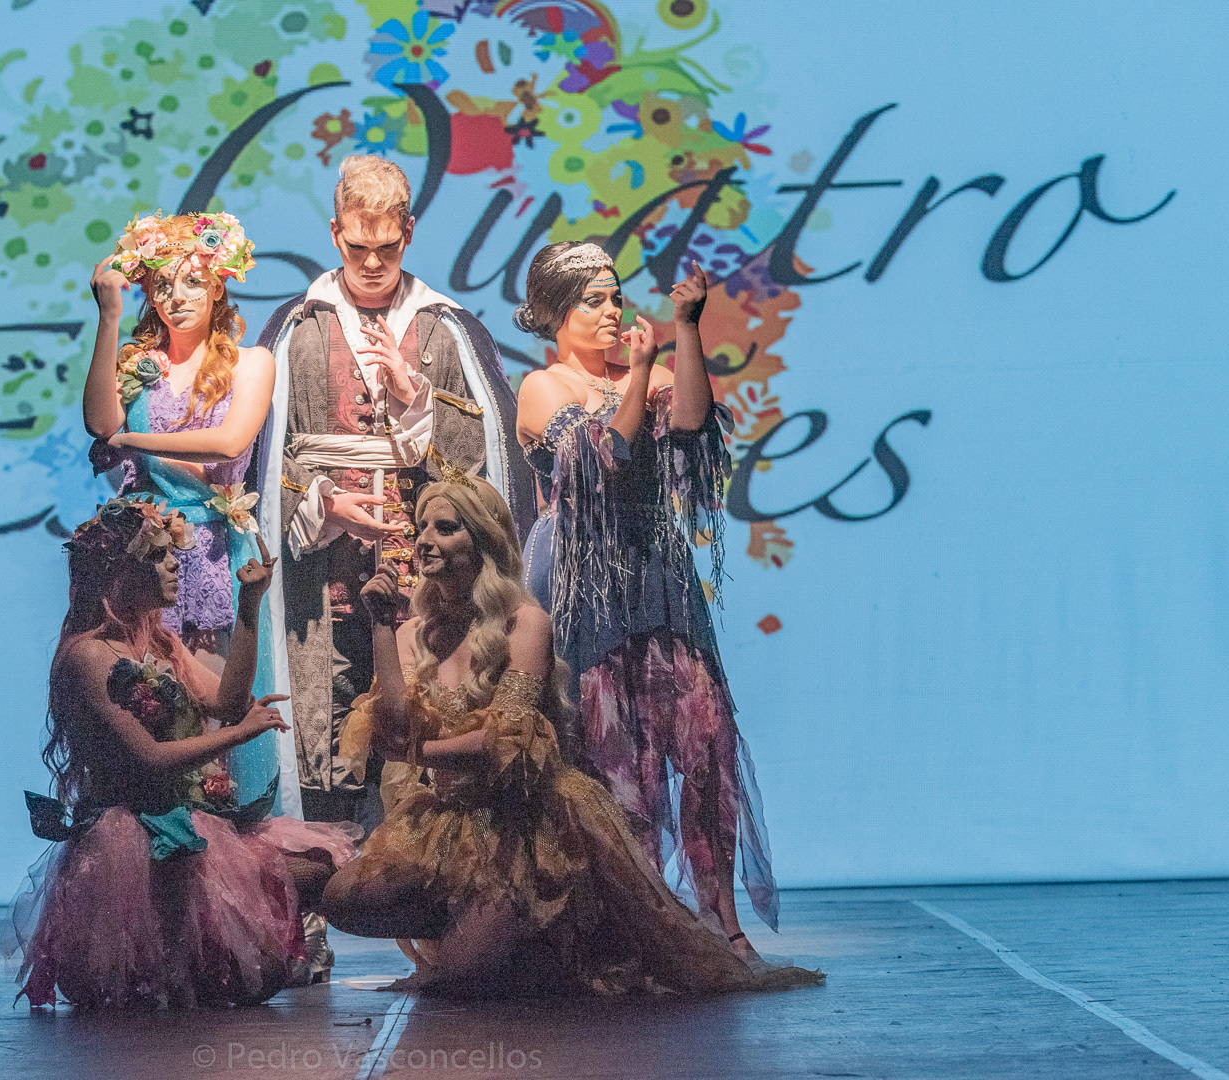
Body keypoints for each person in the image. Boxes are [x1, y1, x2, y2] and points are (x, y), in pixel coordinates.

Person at [318, 476, 820, 996]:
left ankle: (524, 938)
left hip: (521, 822)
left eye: (444, 528)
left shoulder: (525, 623)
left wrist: (417, 750)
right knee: (344, 900)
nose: (424, 540)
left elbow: (506, 743)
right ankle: (478, 927)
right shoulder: (411, 633)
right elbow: (394, 726)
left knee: (459, 976)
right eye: (421, 527)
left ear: (484, 540)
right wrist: (381, 626)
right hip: (448, 817)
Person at [250, 155, 537, 829]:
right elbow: (263, 460)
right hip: (321, 573)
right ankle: (321, 881)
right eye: (357, 248)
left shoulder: (446, 329)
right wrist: (322, 504)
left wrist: (417, 400)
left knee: (424, 731)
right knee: (325, 731)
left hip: (428, 582)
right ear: (334, 233)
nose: (373, 263)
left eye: (387, 247)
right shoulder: (299, 329)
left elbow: (486, 460)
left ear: (409, 232)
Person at [512, 241, 778, 961]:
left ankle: (719, 918)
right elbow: (607, 456)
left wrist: (687, 328)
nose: (611, 311)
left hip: (659, 576)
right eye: (592, 300)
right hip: (586, 581)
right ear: (556, 312)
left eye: (615, 298)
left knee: (706, 740)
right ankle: (638, 923)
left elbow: (691, 430)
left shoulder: (651, 374)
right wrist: (635, 378)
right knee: (612, 755)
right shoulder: (543, 387)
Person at [0, 498, 357, 1009]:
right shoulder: (87, 657)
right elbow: (147, 759)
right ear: (118, 574)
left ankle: (193, 962)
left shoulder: (161, 643)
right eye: (157, 556)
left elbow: (228, 702)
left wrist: (250, 604)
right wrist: (239, 734)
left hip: (188, 817)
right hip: (131, 834)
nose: (174, 565)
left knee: (319, 868)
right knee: (220, 979)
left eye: (172, 553)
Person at [83, 211, 273, 669]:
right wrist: (109, 316)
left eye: (193, 282)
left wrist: (133, 441)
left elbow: (229, 443)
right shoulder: (140, 366)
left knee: (210, 692)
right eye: (163, 286)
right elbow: (100, 424)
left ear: (218, 287)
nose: (177, 297)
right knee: (143, 688)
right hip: (142, 550)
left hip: (212, 547)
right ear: (150, 296)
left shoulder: (251, 363)